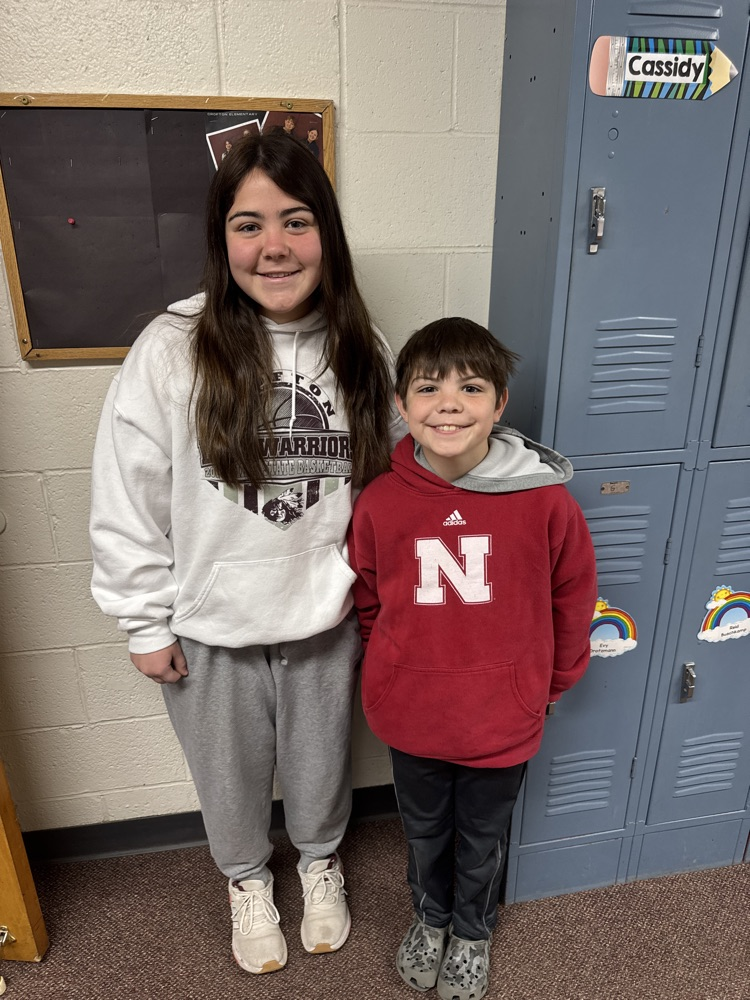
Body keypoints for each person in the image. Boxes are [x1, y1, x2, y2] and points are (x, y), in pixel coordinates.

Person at [90, 132, 398, 976]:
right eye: (249, 224)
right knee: (227, 776)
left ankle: (320, 862)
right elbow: (126, 494)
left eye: (296, 222)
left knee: (321, 764)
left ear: (325, 233)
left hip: (323, 613)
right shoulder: (172, 346)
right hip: (209, 623)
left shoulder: (359, 347)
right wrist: (142, 621)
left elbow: (395, 482)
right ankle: (247, 880)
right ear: (221, 238)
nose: (274, 247)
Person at [347, 317, 597, 1000]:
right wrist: (388, 669)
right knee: (424, 831)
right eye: (428, 388)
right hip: (412, 712)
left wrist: (552, 681)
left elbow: (573, 597)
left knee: (482, 837)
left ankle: (471, 932)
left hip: (502, 716)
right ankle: (430, 920)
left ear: (500, 402)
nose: (449, 405)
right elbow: (368, 596)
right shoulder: (380, 500)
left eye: (471, 387)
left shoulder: (546, 502)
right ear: (401, 405)